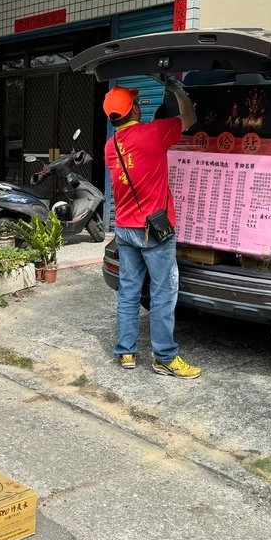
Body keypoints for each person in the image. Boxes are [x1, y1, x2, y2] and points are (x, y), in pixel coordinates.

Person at [103, 79, 202, 379]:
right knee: (163, 292)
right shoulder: (154, 132)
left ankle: (126, 353)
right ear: (133, 108)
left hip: (124, 228)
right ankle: (164, 357)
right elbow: (191, 119)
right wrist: (178, 91)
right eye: (136, 102)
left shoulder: (111, 146)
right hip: (154, 231)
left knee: (129, 291)